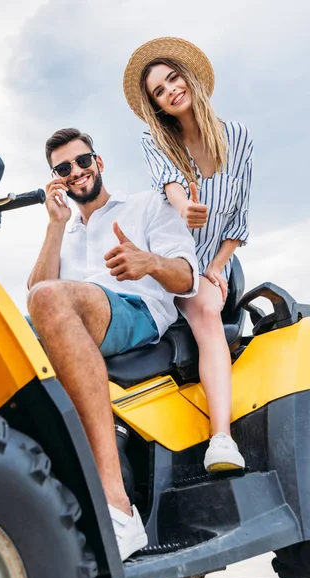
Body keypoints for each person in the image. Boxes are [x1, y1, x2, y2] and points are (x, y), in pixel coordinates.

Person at [27, 127, 199, 561]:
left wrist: (148, 261)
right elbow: (36, 291)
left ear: (98, 162)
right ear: (57, 180)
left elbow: (186, 276)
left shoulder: (146, 204)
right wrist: (55, 225)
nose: (76, 172)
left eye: (83, 161)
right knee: (1, 328)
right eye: (63, 169)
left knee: (50, 298)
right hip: (76, 313)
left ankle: (117, 506)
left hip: (134, 310)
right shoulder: (63, 234)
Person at [123, 37, 253, 472]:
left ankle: (222, 439)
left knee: (204, 307)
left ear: (189, 78)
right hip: (172, 257)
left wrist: (216, 268)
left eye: (172, 79)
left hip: (215, 262)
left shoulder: (237, 137)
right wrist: (186, 209)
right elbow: (170, 183)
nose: (170, 91)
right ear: (157, 106)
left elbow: (239, 220)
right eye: (158, 91)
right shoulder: (154, 139)